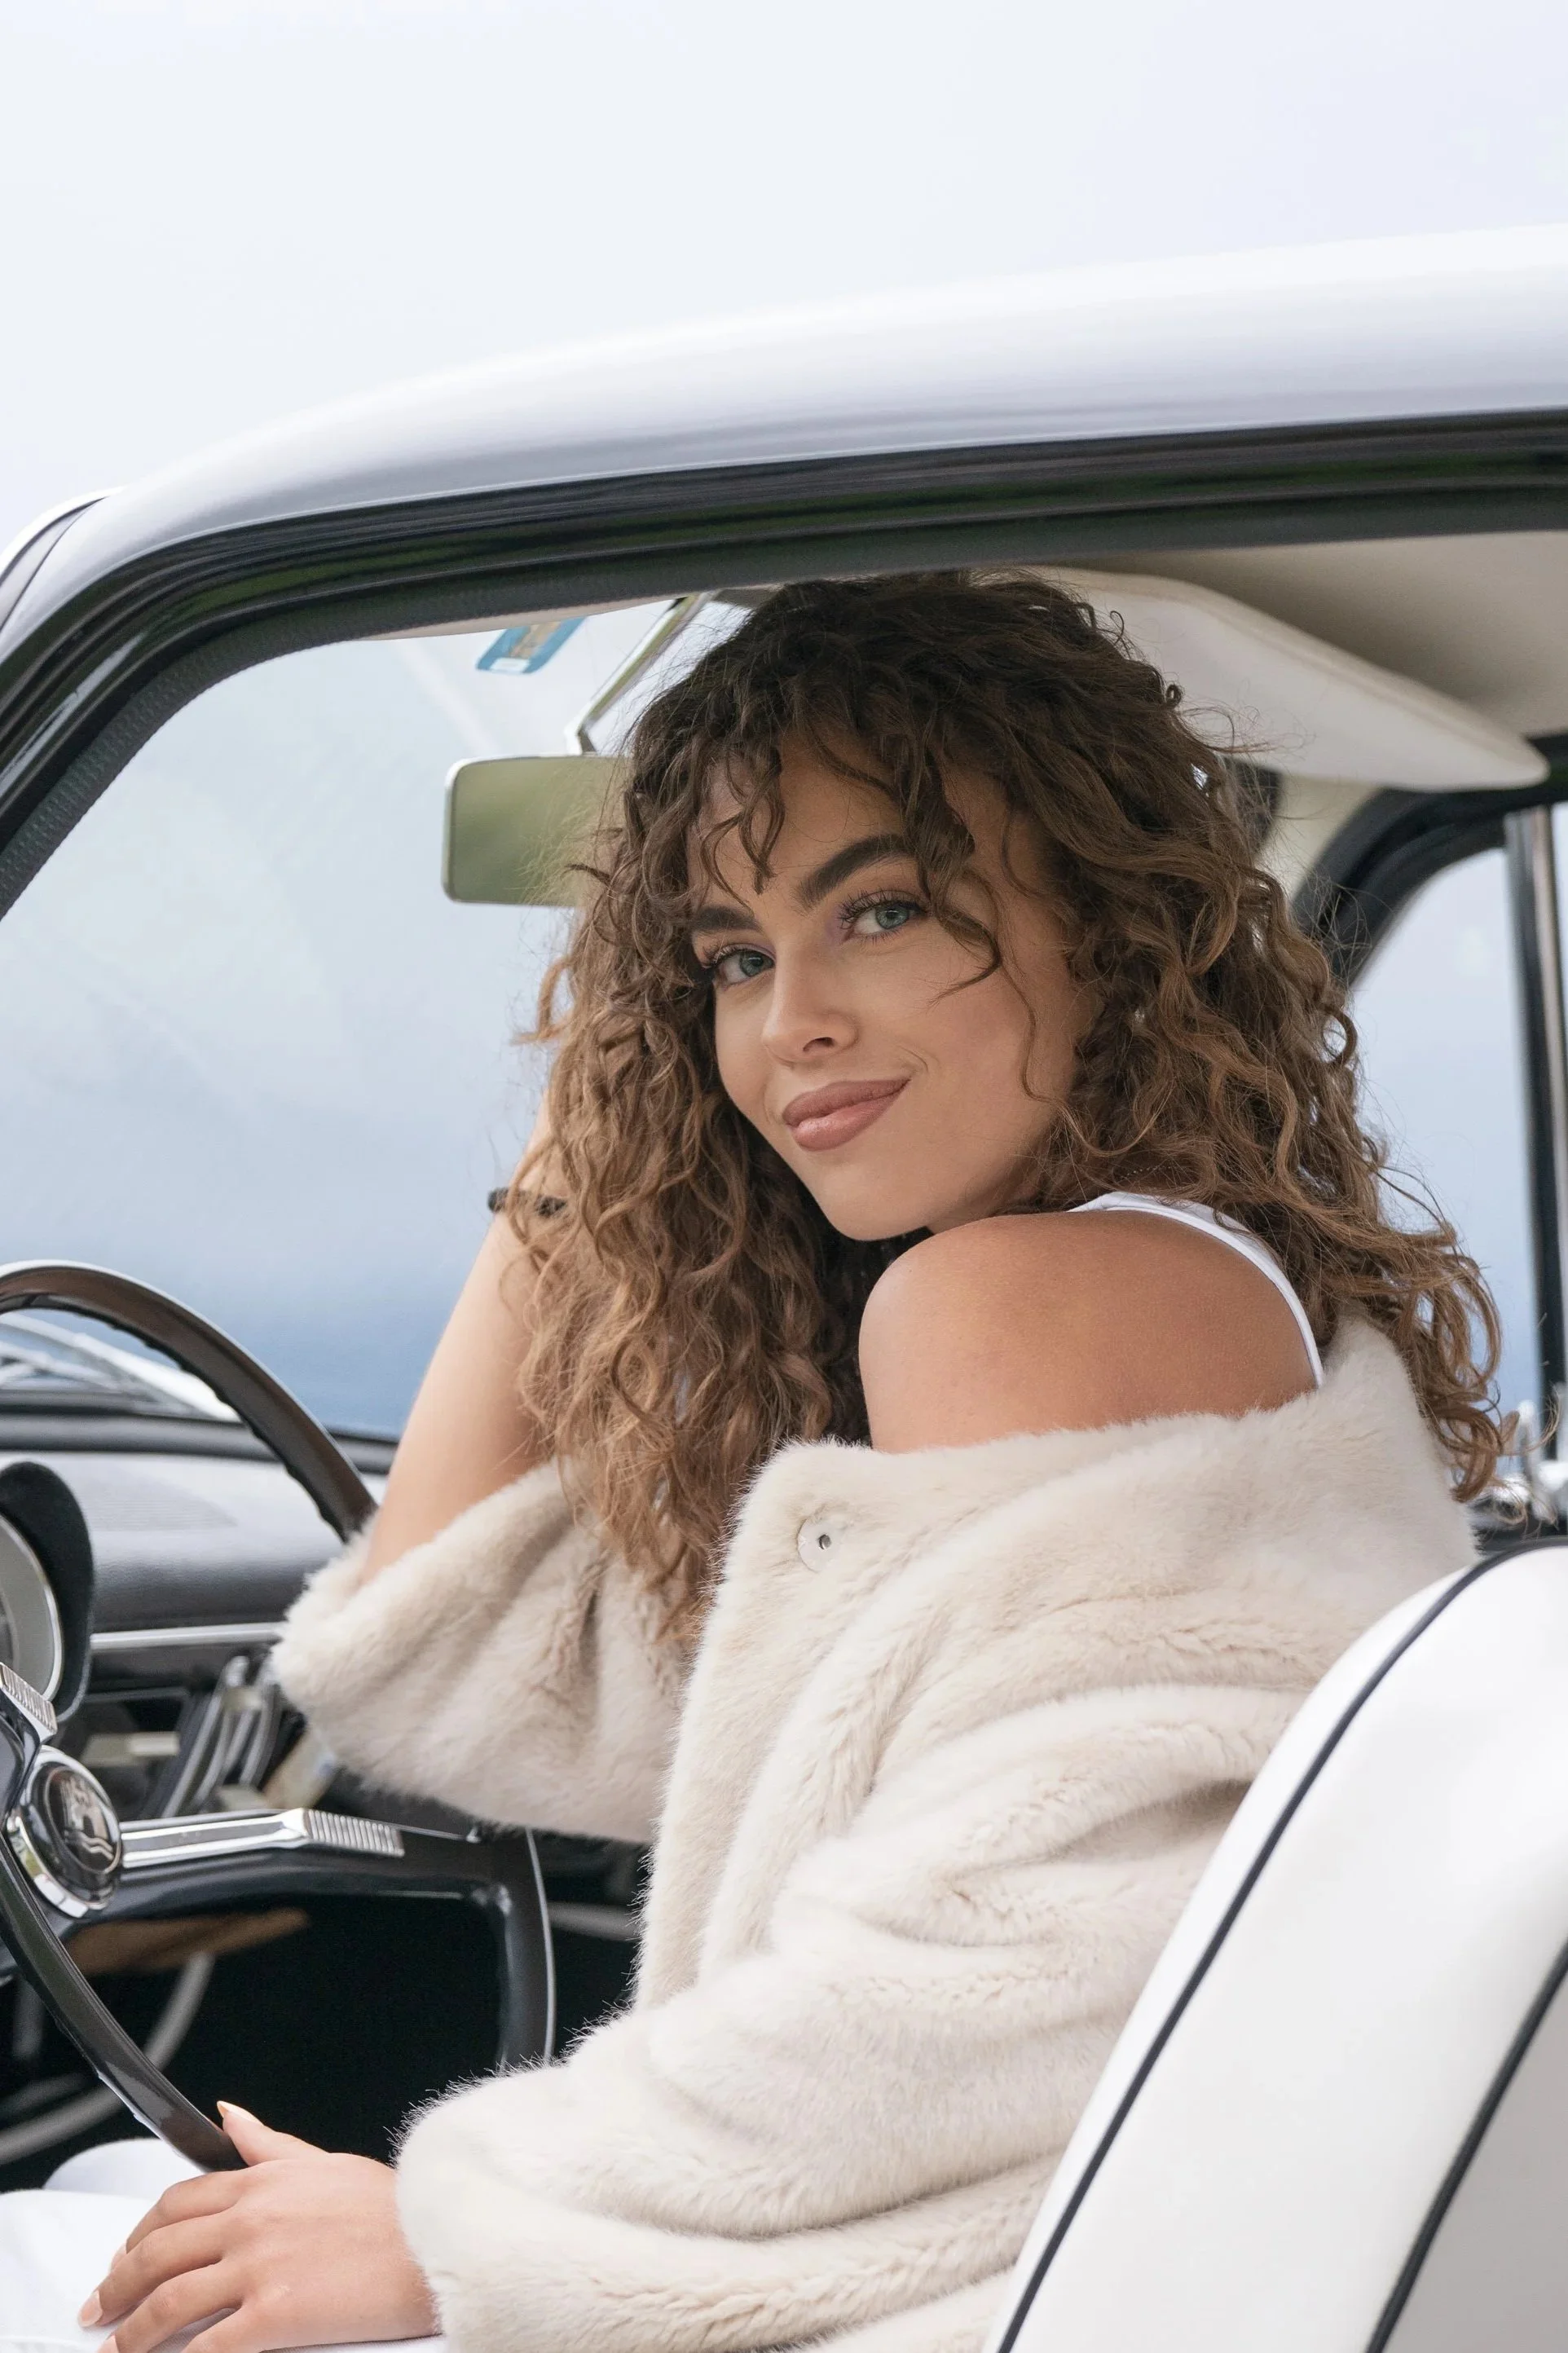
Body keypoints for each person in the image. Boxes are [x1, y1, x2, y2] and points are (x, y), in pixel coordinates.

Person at [0, 571, 1496, 2352]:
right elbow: (452, 1660)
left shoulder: (1009, 1306)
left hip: (1009, 2295)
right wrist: (607, 1106)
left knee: (75, 2251)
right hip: (1113, 2269)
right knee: (132, 2212)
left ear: (1102, 924)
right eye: (729, 958)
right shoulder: (1180, 1295)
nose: (789, 1023)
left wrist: (456, 2233)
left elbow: (998, 1984)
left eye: (880, 910)